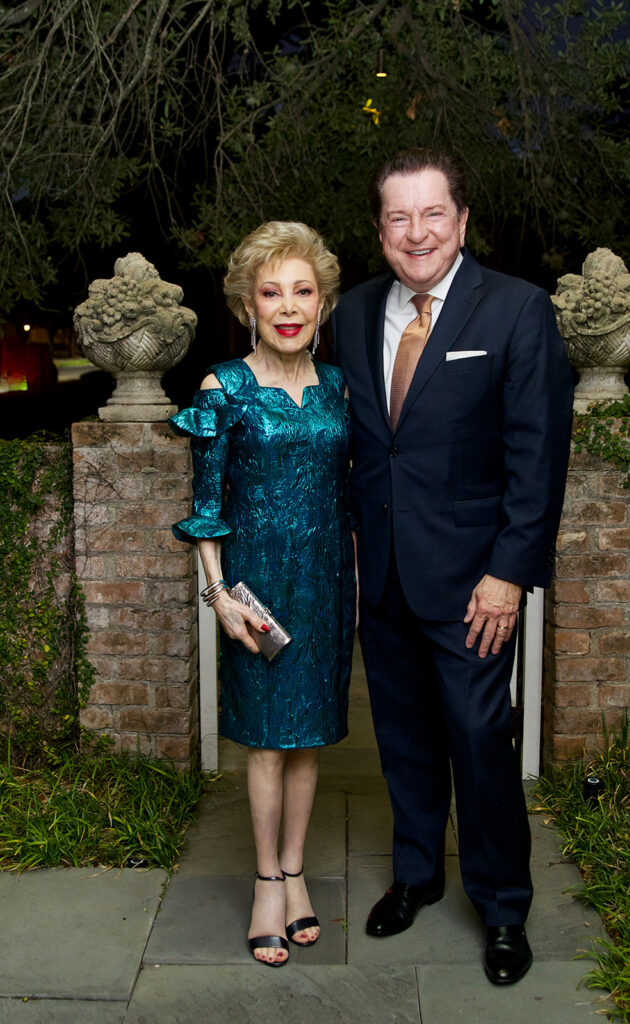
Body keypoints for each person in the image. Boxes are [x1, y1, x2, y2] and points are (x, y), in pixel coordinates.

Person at [331, 149, 574, 986]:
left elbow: (537, 457)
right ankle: (417, 873)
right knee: (399, 738)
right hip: (384, 573)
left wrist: (510, 573)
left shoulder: (516, 311)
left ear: (462, 221)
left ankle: (504, 905)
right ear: (381, 230)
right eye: (398, 218)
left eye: (432, 214)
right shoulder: (355, 313)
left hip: (475, 583)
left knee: (478, 739)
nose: (416, 232)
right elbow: (358, 445)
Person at [170, 222, 356, 968]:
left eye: (302, 291)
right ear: (249, 302)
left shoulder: (339, 387)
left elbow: (349, 496)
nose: (288, 306)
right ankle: (265, 884)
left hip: (324, 588)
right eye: (271, 291)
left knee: (308, 739)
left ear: (323, 304)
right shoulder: (225, 386)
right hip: (254, 592)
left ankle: (298, 869)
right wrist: (217, 596)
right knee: (265, 743)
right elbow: (205, 504)